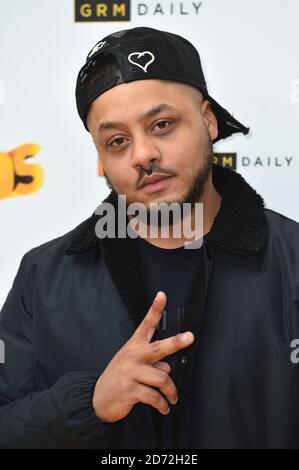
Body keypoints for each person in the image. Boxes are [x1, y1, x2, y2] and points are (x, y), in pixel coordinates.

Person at [0, 26, 298, 450]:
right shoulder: (43, 276)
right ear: (100, 158)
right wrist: (90, 403)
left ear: (209, 121)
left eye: (162, 124)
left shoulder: (293, 261)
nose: (143, 155)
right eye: (117, 141)